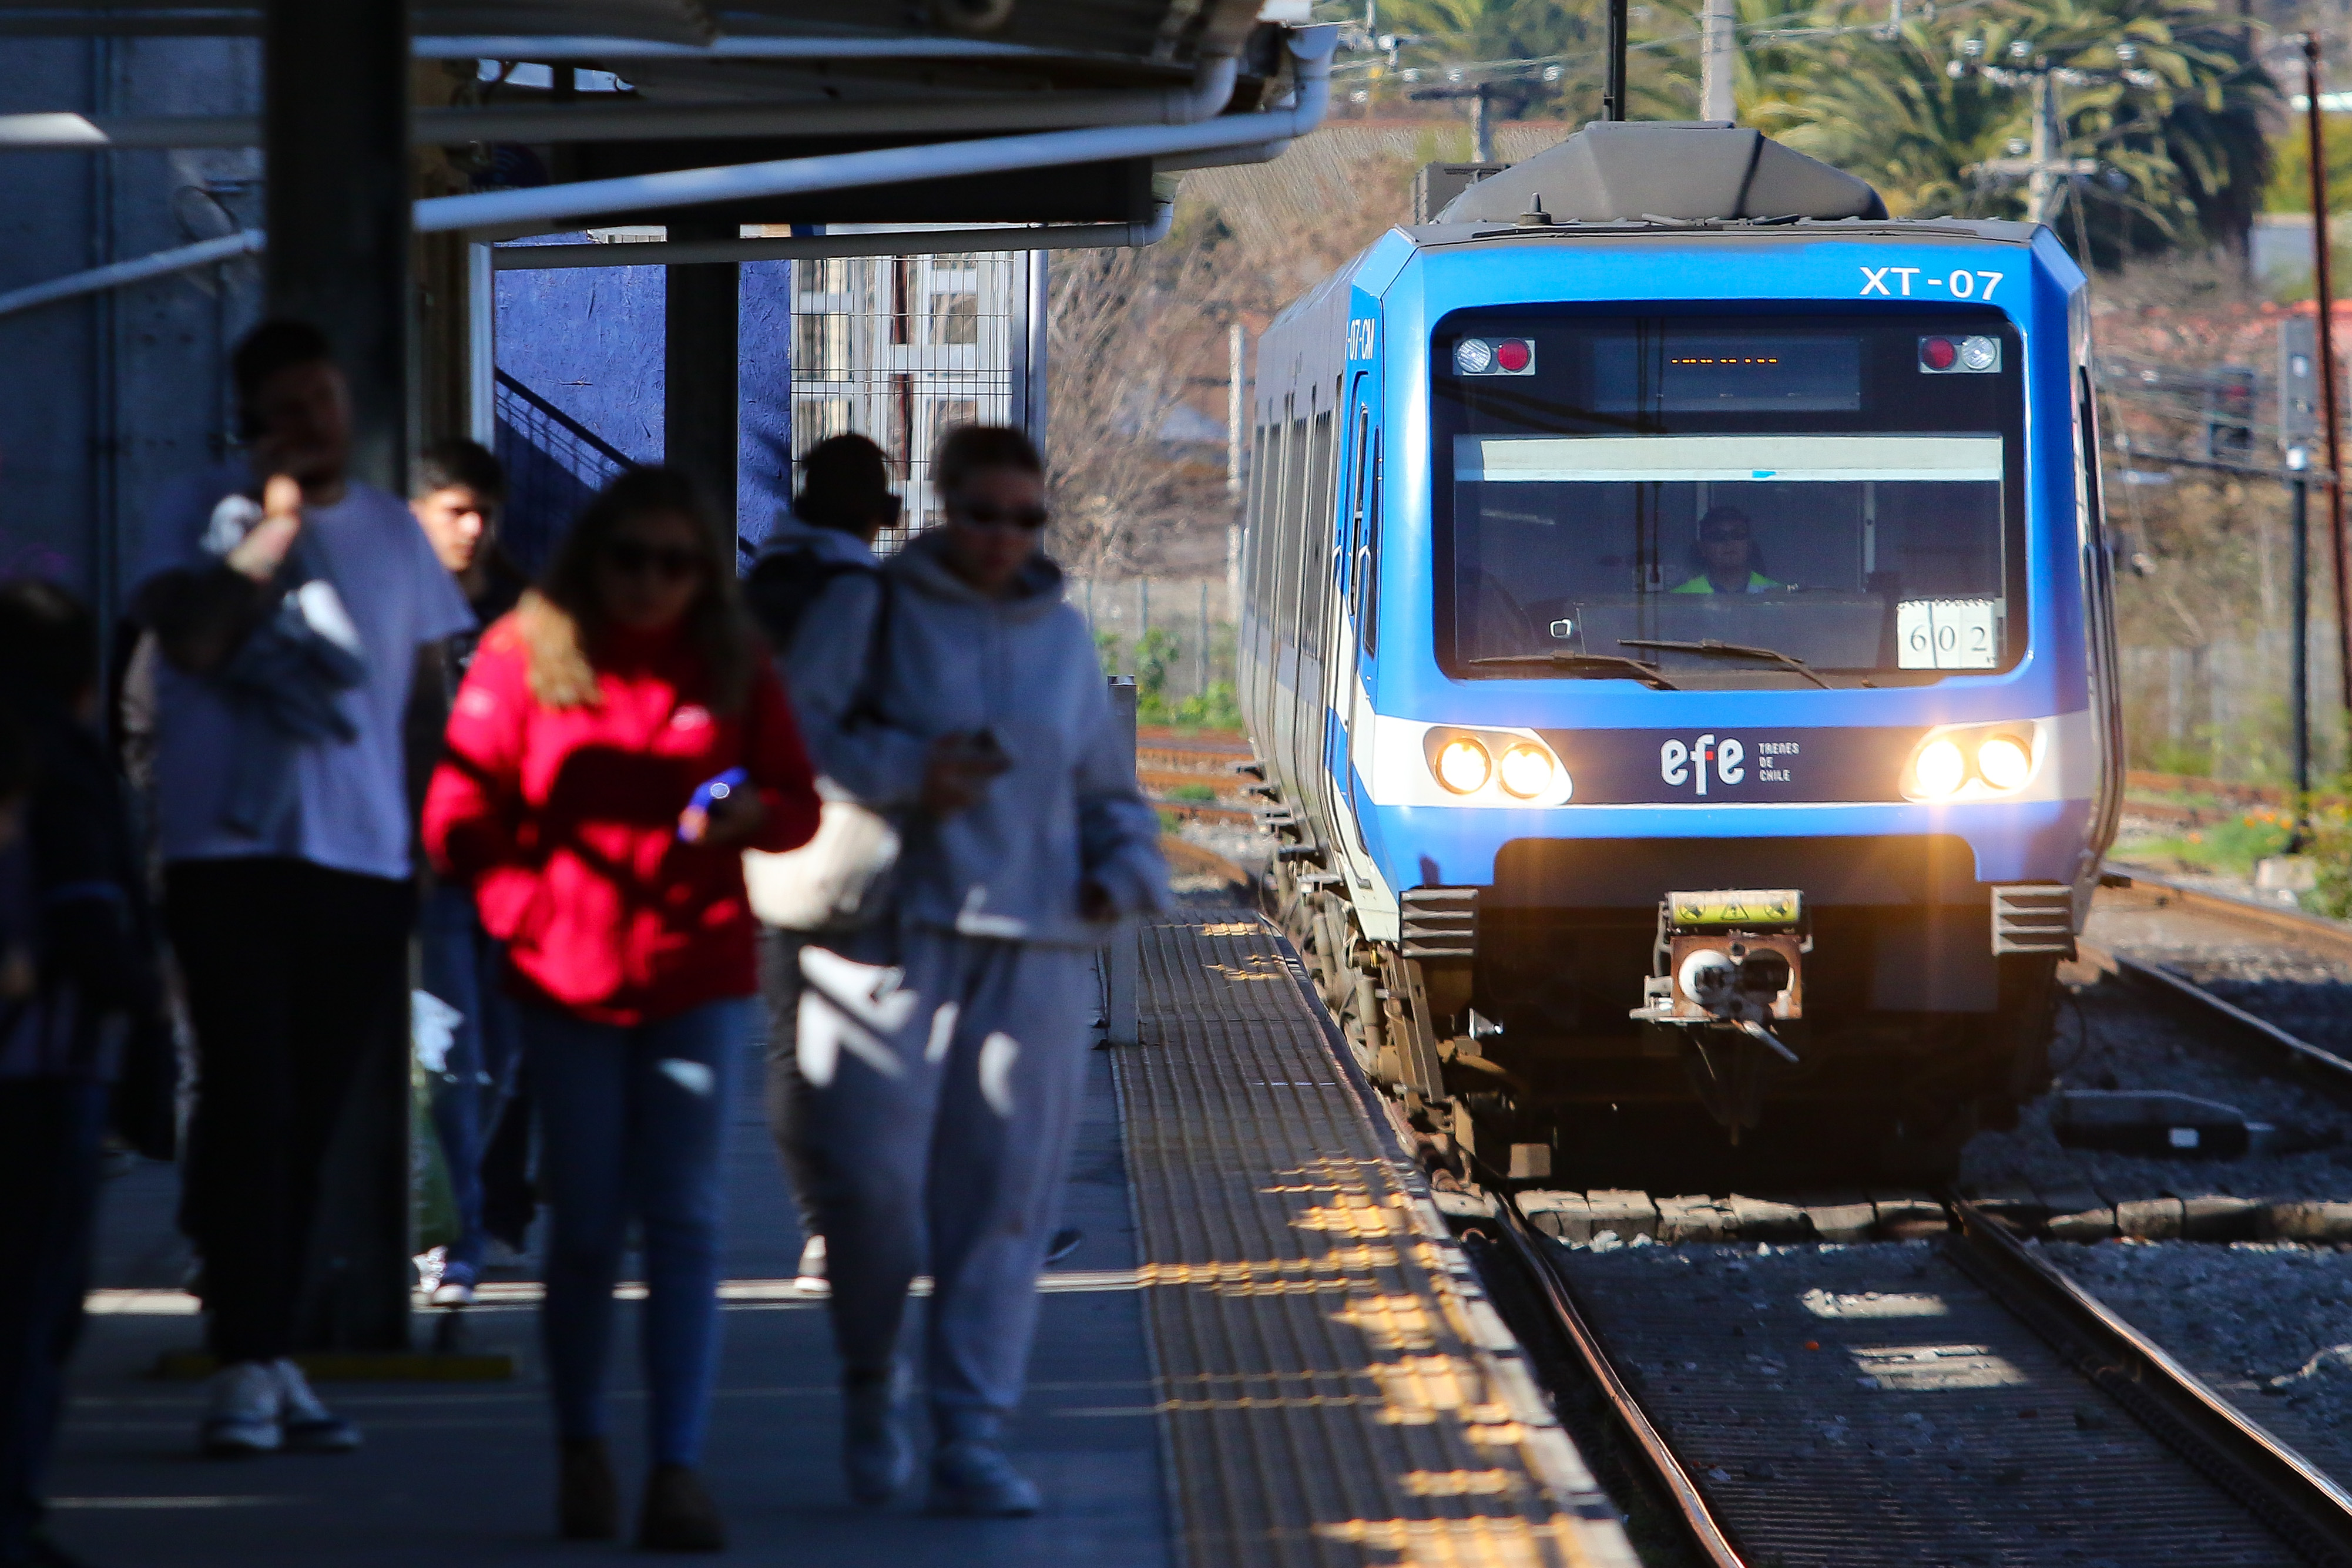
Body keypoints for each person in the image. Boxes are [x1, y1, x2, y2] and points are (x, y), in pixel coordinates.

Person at [422, 466, 821, 1551]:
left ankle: (678, 1466)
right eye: (631, 558)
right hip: (565, 983)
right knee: (588, 1221)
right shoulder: (523, 656)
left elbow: (797, 800)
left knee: (687, 1217)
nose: (652, 582)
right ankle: (583, 1445)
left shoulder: (733, 659)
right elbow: (458, 811)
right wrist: (522, 906)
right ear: (591, 558)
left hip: (693, 976)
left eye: (678, 563)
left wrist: (751, 814)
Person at [797, 425, 1167, 1516]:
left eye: (1026, 517)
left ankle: (969, 1428)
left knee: (1004, 1199)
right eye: (981, 513)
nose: (1004, 535)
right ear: (936, 510)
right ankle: (870, 1377)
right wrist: (908, 772)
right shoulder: (863, 612)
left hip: (1038, 948)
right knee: (868, 1188)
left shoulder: (1060, 638)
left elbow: (1105, 789)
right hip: (885, 937)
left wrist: (1123, 870)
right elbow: (786, 737)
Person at [133, 319, 475, 1458]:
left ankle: (273, 1353)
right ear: (252, 418)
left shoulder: (390, 531)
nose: (314, 423)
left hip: (361, 862)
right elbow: (192, 641)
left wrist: (422, 825)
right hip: (227, 860)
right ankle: (243, 1353)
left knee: (318, 1114)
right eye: (290, 405)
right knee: (248, 1102)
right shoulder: (196, 510)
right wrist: (272, 528)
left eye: (325, 400)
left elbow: (426, 693)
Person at [0, 577, 168, 1568]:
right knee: (31, 1310)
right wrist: (144, 992)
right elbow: (89, 915)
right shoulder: (61, 768)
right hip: (44, 1070)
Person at [741, 434, 901, 1294]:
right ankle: (854, 1224)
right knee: (869, 1042)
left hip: (765, 843)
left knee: (787, 1044)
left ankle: (818, 1228)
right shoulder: (859, 593)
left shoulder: (761, 580)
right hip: (853, 846)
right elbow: (841, 723)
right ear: (881, 513)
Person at [405, 439, 532, 1306]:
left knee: (504, 1060)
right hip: (429, 873)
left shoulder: (526, 611)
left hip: (518, 870)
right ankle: (454, 1239)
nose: (473, 529)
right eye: (455, 510)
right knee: (450, 1056)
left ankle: (454, 1210)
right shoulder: (390, 606)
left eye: (484, 511)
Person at [1671, 504, 1783, 594]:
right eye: (1718, 536)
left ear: (1749, 544)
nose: (1729, 542)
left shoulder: (1778, 595)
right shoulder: (1680, 597)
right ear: (1703, 548)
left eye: (1737, 534)